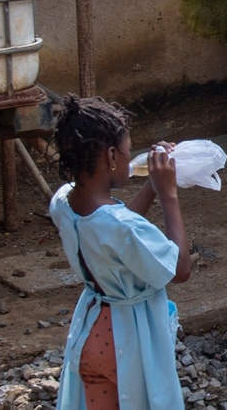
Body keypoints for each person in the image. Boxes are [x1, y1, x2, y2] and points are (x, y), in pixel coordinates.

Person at [49, 95, 192, 410]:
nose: (131, 161)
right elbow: (180, 269)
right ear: (111, 156)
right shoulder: (120, 227)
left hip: (91, 332)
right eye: (128, 153)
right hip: (127, 340)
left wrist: (152, 186)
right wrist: (169, 196)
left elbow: (116, 229)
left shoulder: (62, 203)